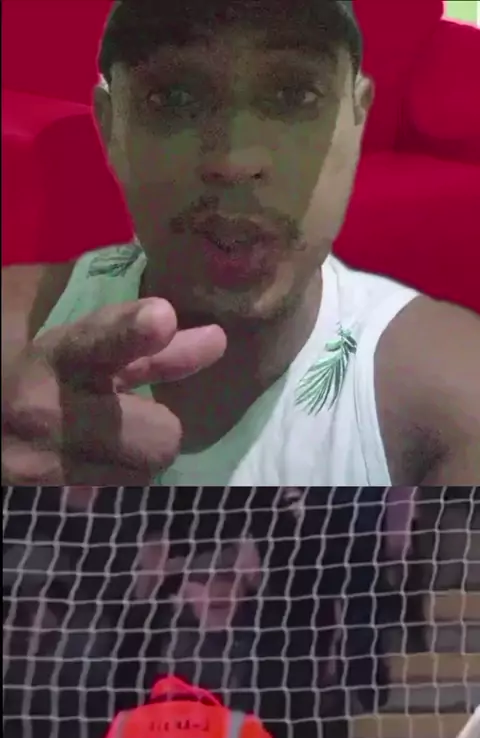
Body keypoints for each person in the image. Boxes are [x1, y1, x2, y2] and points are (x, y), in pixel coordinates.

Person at [2, 0, 479, 486]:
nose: (233, 162)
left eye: (295, 95)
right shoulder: (12, 334)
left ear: (358, 118)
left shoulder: (454, 394)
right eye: (172, 99)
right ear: (110, 129)